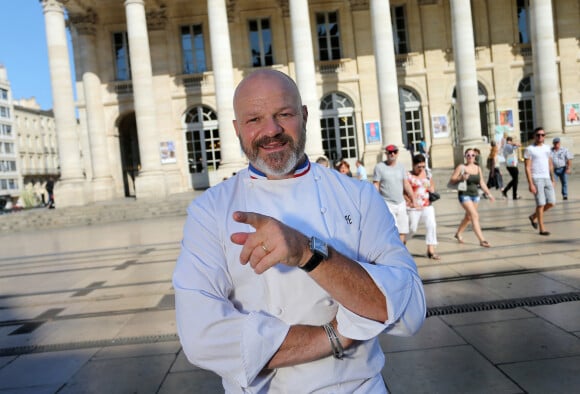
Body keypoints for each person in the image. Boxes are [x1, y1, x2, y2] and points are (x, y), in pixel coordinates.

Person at [173, 70, 426, 393]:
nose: (271, 131)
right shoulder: (210, 211)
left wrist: (308, 252)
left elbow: (411, 311)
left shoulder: (358, 197)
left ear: (304, 115)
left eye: (284, 114)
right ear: (236, 129)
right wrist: (335, 335)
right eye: (254, 120)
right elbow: (201, 337)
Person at [450, 148, 496, 247]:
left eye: (472, 155)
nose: (470, 157)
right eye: (468, 155)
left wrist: (488, 194)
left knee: (469, 217)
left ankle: (458, 233)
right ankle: (482, 240)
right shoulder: (461, 167)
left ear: (475, 157)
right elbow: (452, 180)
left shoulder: (478, 168)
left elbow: (482, 182)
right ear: (465, 157)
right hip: (464, 195)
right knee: (475, 216)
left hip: (475, 195)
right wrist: (461, 177)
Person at [373, 144, 417, 244]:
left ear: (397, 153)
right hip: (387, 202)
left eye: (394, 152)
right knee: (393, 229)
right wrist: (375, 201)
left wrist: (412, 197)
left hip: (400, 202)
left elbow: (405, 183)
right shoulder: (379, 167)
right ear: (386, 154)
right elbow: (376, 184)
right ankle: (396, 251)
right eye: (390, 152)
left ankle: (401, 249)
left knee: (403, 229)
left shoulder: (401, 167)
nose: (392, 154)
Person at [406, 154, 440, 260]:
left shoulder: (427, 174)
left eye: (423, 167)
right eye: (418, 167)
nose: (421, 169)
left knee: (432, 225)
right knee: (412, 228)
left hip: (427, 204)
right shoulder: (407, 175)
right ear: (413, 165)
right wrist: (410, 201)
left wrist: (431, 188)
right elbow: (403, 192)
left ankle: (431, 250)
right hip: (413, 206)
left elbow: (432, 186)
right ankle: (401, 242)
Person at [525, 127, 556, 236]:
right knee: (541, 203)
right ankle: (542, 229)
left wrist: (552, 179)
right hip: (536, 178)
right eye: (538, 135)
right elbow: (527, 167)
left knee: (551, 202)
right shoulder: (529, 149)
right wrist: (530, 183)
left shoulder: (547, 148)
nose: (540, 137)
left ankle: (533, 216)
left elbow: (550, 164)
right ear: (534, 136)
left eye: (542, 135)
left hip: (547, 177)